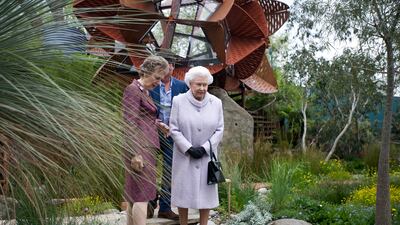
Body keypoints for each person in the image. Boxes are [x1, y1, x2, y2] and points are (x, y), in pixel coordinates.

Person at [169, 66, 224, 225]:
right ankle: (183, 223)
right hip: (184, 155)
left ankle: (204, 223)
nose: (202, 88)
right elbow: (174, 128)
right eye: (198, 84)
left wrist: (206, 147)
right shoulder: (178, 101)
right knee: (183, 192)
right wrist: (188, 148)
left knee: (206, 194)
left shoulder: (216, 103)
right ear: (190, 84)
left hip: (207, 156)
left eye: (205, 85)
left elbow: (220, 129)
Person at [122, 55, 170, 225]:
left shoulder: (144, 91)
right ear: (146, 71)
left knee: (136, 196)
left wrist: (158, 124)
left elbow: (142, 118)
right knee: (141, 196)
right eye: (157, 77)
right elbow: (129, 123)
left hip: (146, 147)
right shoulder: (133, 90)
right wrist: (135, 153)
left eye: (161, 78)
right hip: (139, 148)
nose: (158, 82)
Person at [149, 60, 188, 220]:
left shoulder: (181, 86)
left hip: (172, 136)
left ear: (172, 67)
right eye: (164, 65)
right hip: (151, 133)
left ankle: (165, 207)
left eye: (170, 65)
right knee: (149, 170)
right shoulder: (151, 84)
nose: (167, 68)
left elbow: (186, 111)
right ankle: (149, 206)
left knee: (169, 172)